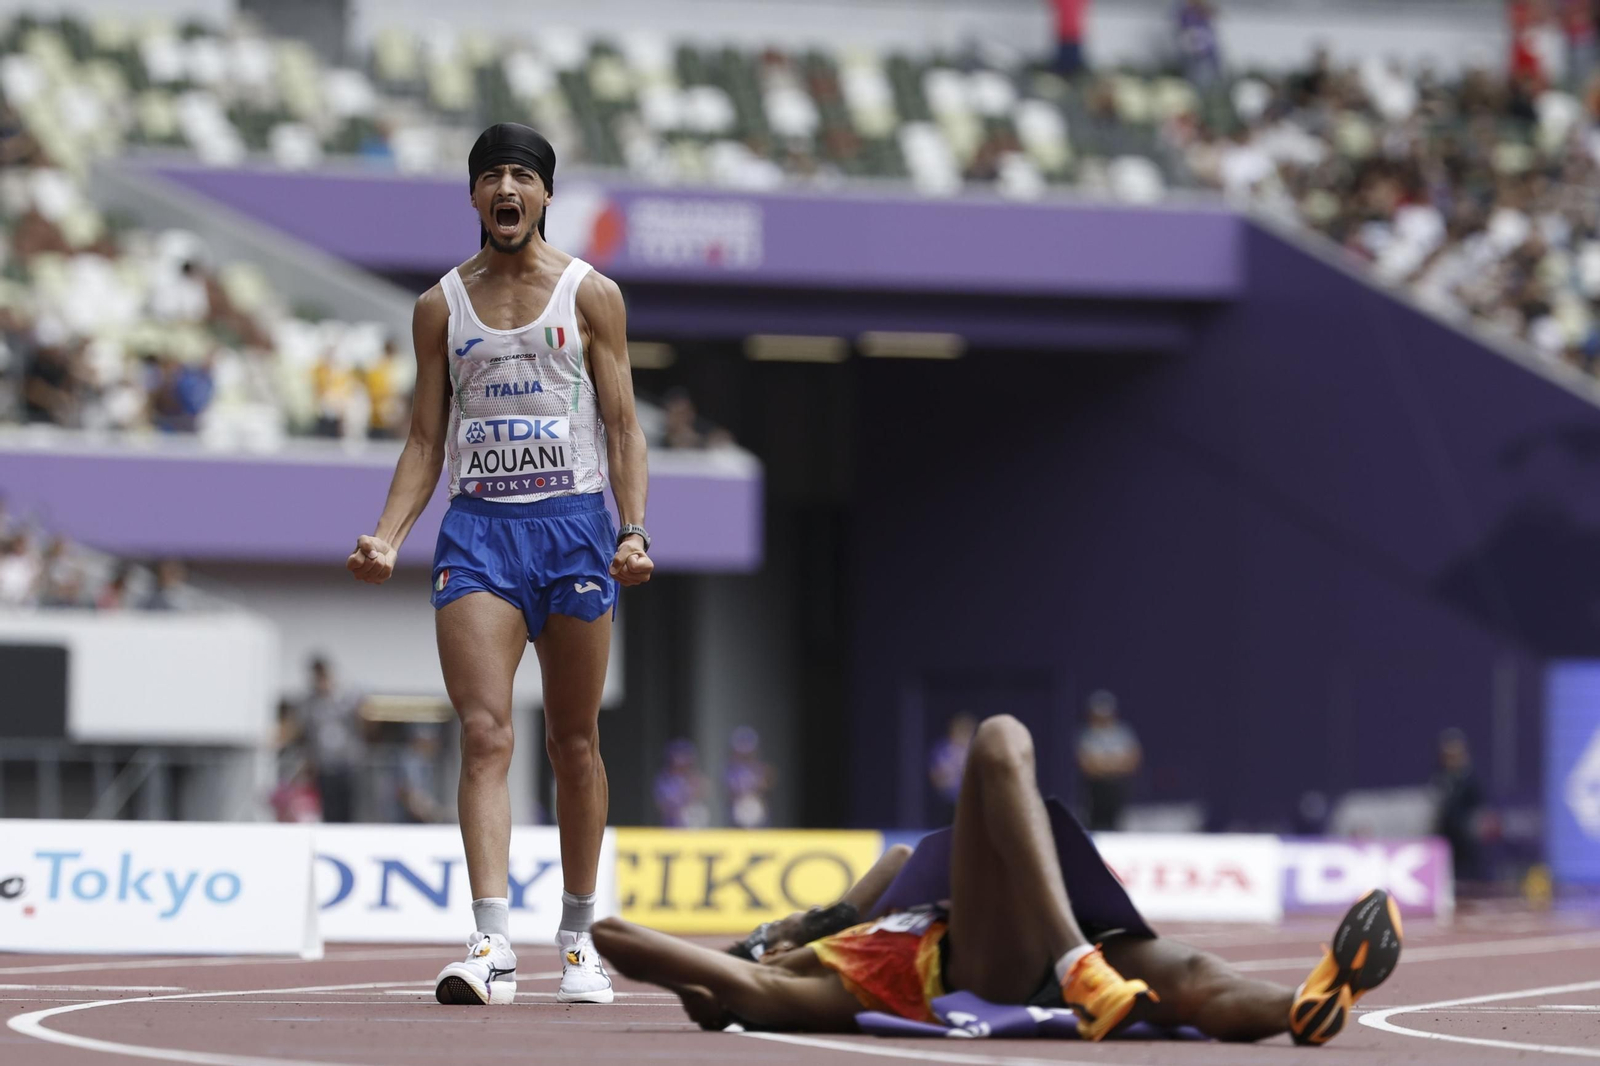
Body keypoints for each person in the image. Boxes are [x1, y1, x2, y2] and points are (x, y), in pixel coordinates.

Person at [346, 122, 653, 1007]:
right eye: (491, 177)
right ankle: (489, 942)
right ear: (475, 197)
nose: (507, 189)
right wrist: (388, 533)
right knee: (485, 733)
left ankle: (580, 938)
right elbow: (423, 438)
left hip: (575, 532)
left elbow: (626, 426)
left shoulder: (593, 295)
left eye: (523, 175)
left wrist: (632, 530)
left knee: (574, 741)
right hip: (479, 534)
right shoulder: (440, 306)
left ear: (546, 195)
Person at [594, 715, 1402, 1047]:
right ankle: (1075, 962)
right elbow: (612, 936)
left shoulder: (830, 933)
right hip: (978, 961)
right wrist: (740, 963)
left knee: (1189, 978)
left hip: (1017, 917)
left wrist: (812, 919)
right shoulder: (797, 988)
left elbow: (899, 867)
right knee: (1000, 737)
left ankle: (1303, 1006)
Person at [1076, 690, 1140, 830]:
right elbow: (1087, 764)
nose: (1102, 718)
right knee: (1094, 823)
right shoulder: (1087, 735)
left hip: (1117, 789)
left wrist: (1103, 764)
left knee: (1117, 823)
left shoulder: (1122, 733)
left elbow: (1132, 760)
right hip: (1095, 790)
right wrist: (1114, 763)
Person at [1432, 728, 1484, 883]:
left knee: (1468, 879)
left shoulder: (1470, 780)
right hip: (1446, 838)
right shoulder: (1441, 778)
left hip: (1466, 842)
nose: (1452, 760)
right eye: (1448, 756)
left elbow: (1477, 809)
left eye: (1455, 755)